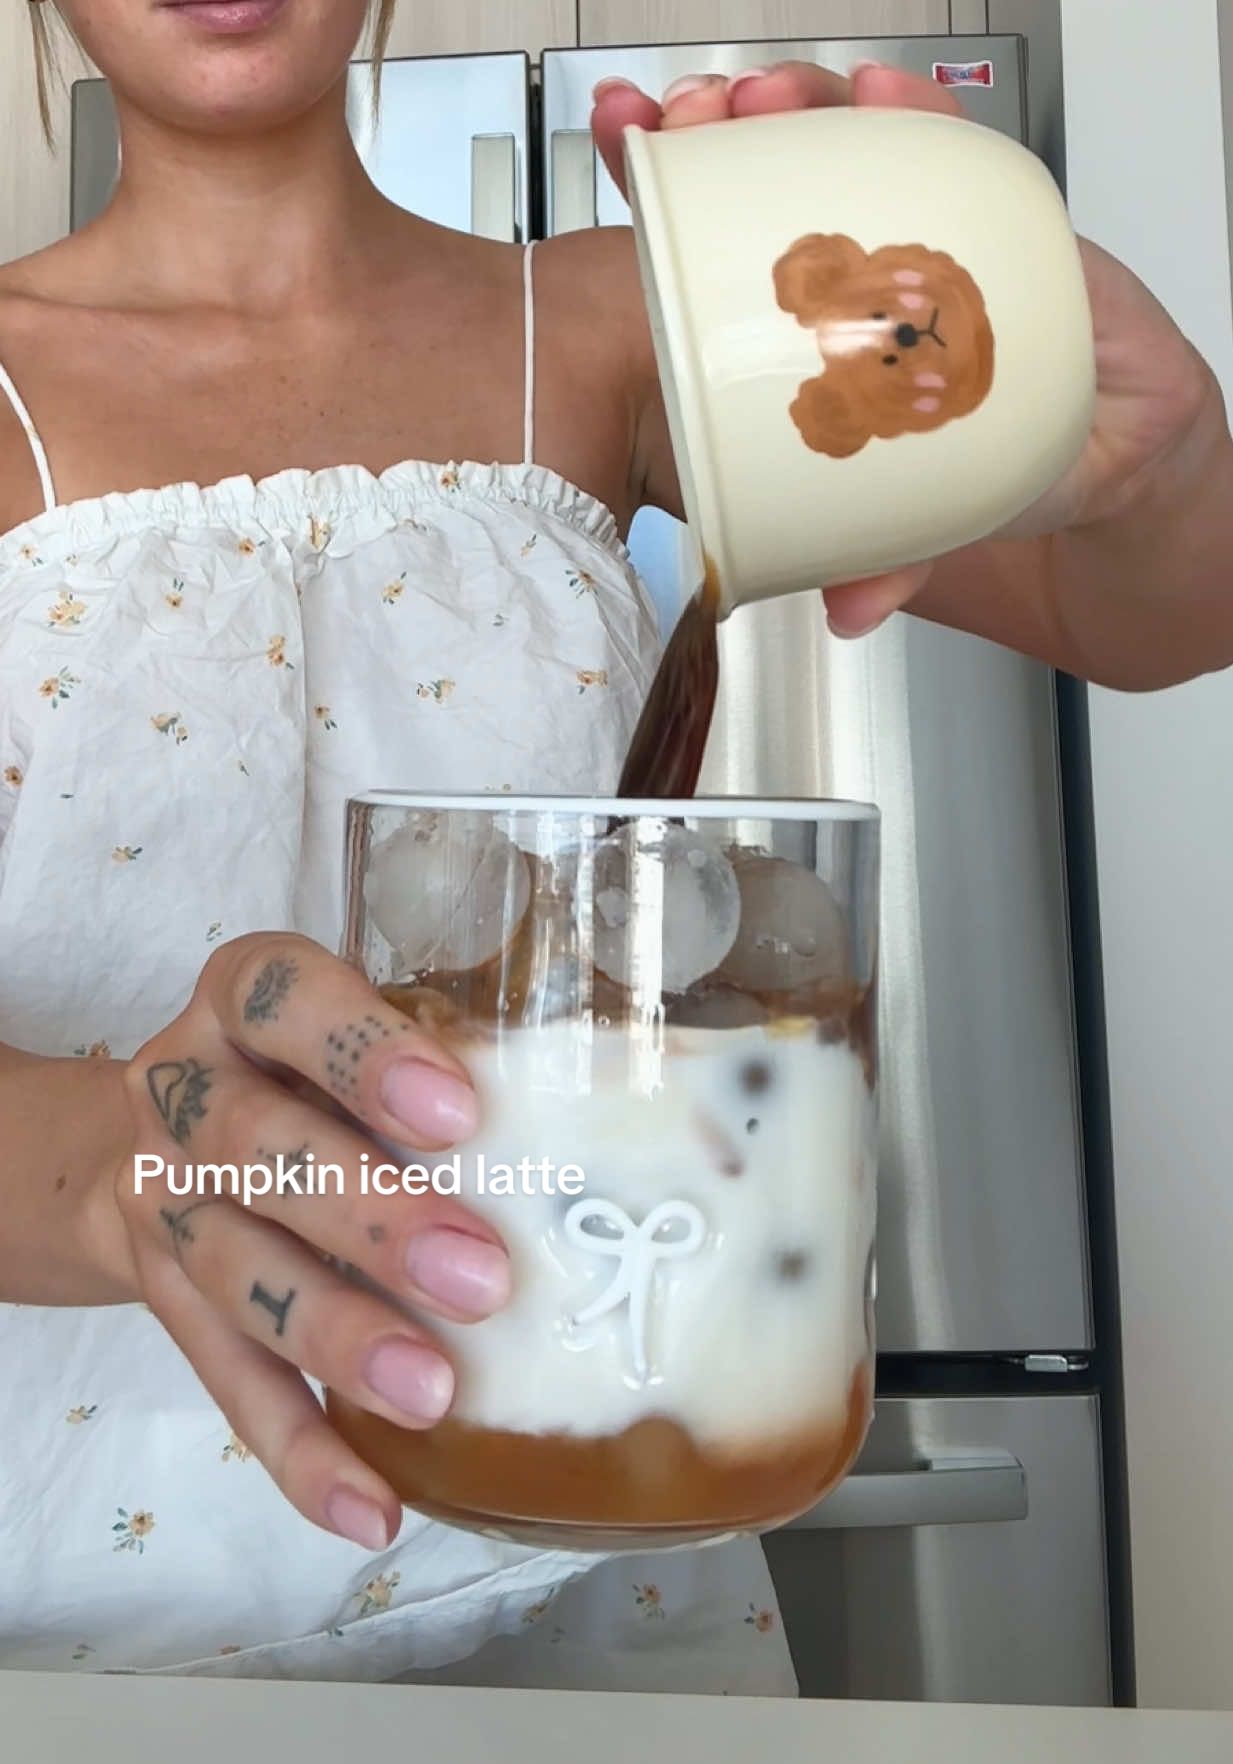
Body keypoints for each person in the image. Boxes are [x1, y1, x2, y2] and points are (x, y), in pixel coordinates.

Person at [0, 0, 1228, 1689]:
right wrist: (122, 1167)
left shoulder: (624, 320)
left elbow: (1149, 615)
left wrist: (1154, 459)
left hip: (598, 1529)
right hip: (72, 1602)